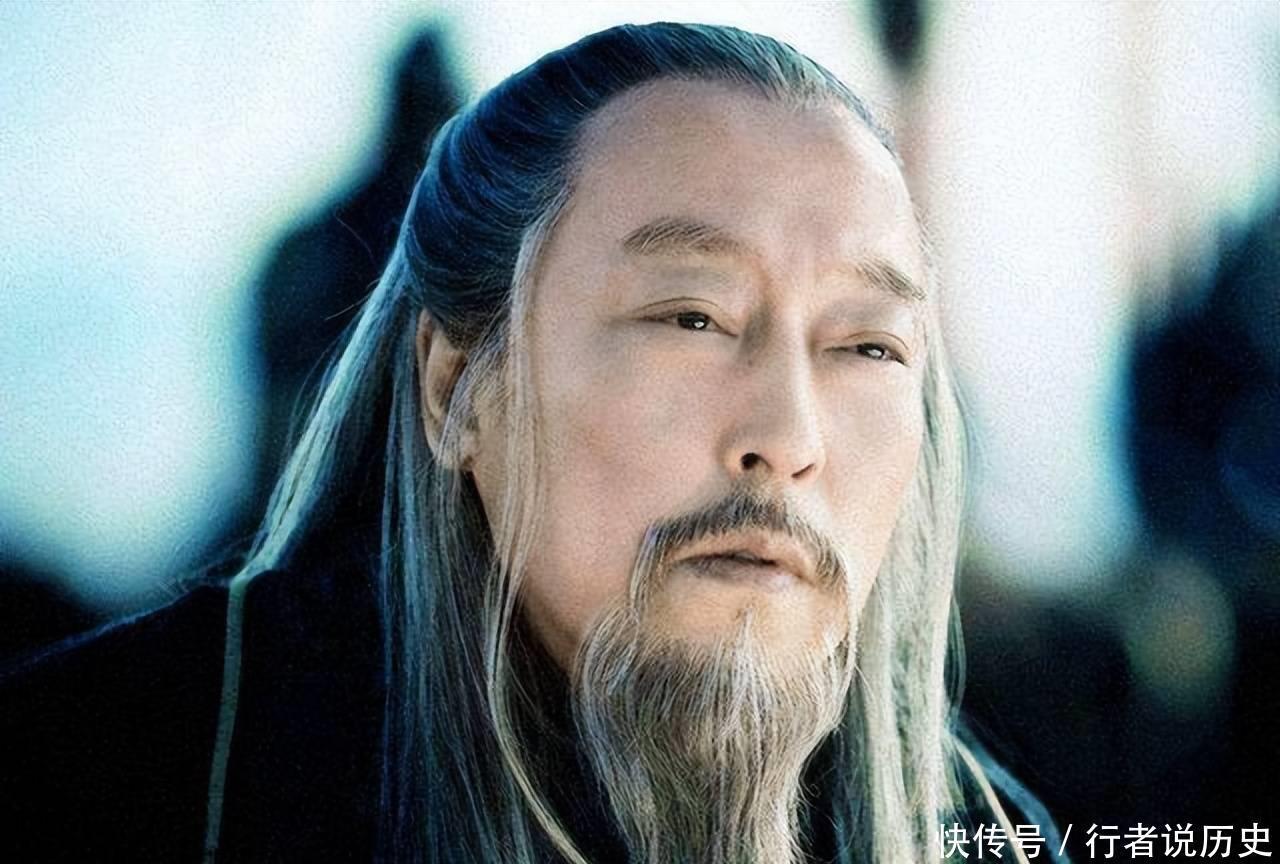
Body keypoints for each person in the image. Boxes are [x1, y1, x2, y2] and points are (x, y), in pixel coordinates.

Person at [0, 22, 1066, 864]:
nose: (787, 439)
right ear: (458, 385)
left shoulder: (981, 838)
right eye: (690, 318)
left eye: (868, 346)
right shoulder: (102, 783)